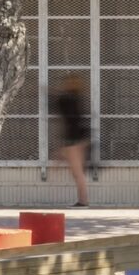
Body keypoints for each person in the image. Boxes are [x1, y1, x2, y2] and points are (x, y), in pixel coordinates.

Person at [50, 75, 91, 207]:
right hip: (78, 138)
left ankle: (83, 200)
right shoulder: (77, 99)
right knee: (78, 172)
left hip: (73, 140)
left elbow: (67, 120)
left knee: (77, 172)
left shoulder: (67, 100)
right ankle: (83, 200)